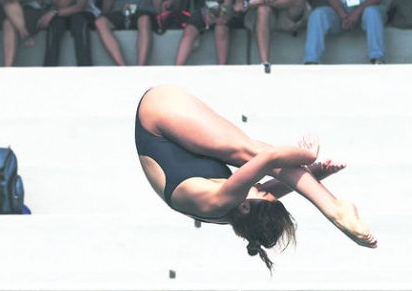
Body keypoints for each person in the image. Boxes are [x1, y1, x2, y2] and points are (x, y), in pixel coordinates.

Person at [135, 85, 378, 270]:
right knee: (245, 155)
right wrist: (314, 174)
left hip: (157, 114)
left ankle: (334, 210)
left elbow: (269, 159)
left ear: (243, 207)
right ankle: (332, 206)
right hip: (176, 139)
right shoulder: (231, 212)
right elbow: (266, 192)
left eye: (262, 193)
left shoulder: (217, 201)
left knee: (245, 151)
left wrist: (307, 156)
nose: (262, 188)